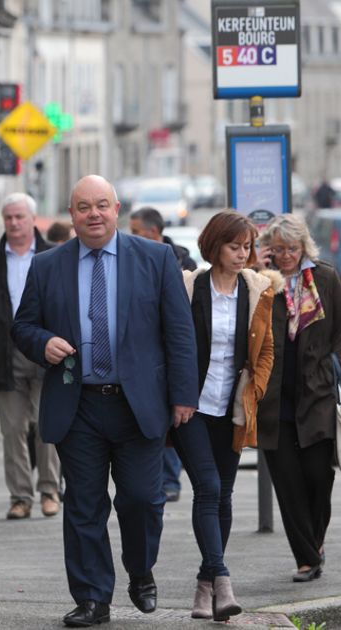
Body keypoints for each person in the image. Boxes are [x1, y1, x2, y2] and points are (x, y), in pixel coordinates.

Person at [12, 175, 199, 628]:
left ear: (116, 209)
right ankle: (93, 597)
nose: (93, 214)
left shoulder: (154, 259)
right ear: (71, 214)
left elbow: (179, 332)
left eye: (101, 205)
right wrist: (44, 343)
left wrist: (183, 396)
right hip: (79, 404)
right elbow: (23, 327)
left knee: (140, 499)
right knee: (84, 505)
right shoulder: (47, 265)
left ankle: (140, 570)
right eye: (82, 207)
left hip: (139, 404)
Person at [176, 210, 277, 620]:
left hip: (232, 407)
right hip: (191, 407)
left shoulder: (256, 291)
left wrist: (256, 389)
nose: (242, 254)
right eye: (234, 247)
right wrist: (175, 395)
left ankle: (205, 587)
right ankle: (222, 578)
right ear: (215, 246)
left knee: (225, 493)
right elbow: (171, 344)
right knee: (208, 488)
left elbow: (266, 349)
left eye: (247, 247)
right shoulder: (188, 287)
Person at [257, 214, 341, 583]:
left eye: (292, 249)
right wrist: (259, 274)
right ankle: (306, 558)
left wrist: (335, 367)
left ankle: (314, 542)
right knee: (287, 482)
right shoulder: (262, 283)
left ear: (304, 248)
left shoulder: (326, 278)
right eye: (279, 249)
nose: (285, 256)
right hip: (275, 399)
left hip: (316, 397)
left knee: (318, 477)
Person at [0, 193, 61, 520]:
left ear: (32, 220)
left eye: (19, 217)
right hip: (5, 353)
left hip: (45, 351)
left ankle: (50, 490)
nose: (13, 223)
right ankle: (20, 496)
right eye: (8, 217)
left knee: (47, 426)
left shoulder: (54, 257)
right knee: (12, 430)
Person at [128, 205, 197, 502]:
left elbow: (184, 321)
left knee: (172, 422)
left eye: (135, 231)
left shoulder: (181, 260)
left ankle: (171, 480)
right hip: (144, 359)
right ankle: (159, 479)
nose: (129, 237)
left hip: (171, 355)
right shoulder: (130, 259)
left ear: (153, 232)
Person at [129, 206, 199, 271]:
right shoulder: (129, 260)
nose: (132, 236)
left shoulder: (184, 263)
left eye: (135, 231)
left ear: (153, 231)